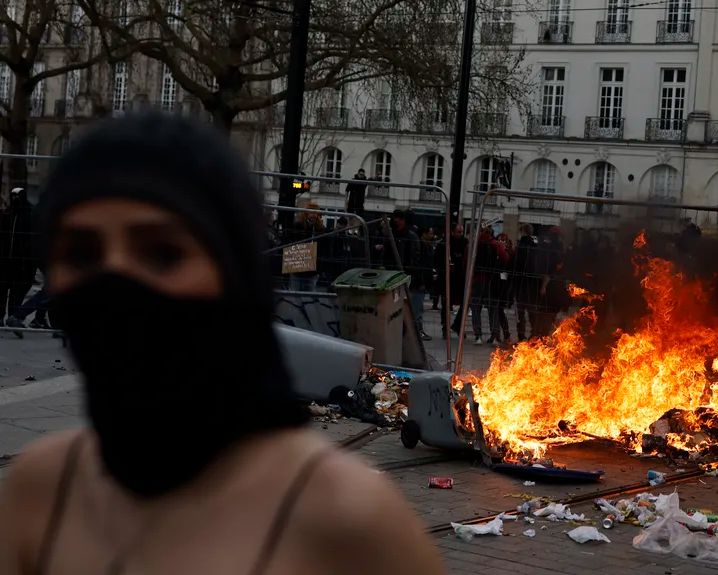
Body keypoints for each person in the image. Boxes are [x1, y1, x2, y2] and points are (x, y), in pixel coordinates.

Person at [0, 112, 443, 574]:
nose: (114, 281)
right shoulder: (42, 487)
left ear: (233, 275)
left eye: (162, 253)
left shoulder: (348, 522)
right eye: (81, 254)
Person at [0, 187, 37, 326]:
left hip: (22, 263)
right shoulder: (6, 214)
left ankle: (13, 316)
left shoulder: (29, 215)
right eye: (13, 196)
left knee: (18, 290)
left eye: (18, 196)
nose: (15, 200)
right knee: (2, 290)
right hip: (4, 261)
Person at [470, 226, 510, 346]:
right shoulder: (495, 244)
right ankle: (496, 336)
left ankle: (478, 336)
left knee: (476, 309)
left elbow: (466, 262)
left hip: (475, 279)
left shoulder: (473, 244)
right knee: (493, 309)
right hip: (490, 280)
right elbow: (506, 258)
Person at [440, 224, 468, 337]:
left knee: (465, 304)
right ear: (452, 232)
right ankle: (445, 327)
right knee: (446, 304)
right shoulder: (445, 243)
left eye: (461, 232)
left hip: (461, 278)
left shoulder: (465, 243)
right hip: (448, 279)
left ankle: (457, 324)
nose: (460, 234)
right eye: (458, 232)